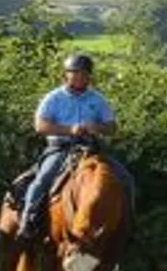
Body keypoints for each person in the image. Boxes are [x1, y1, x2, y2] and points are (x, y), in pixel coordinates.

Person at [16, 53, 136, 242]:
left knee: (126, 179)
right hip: (60, 148)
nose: (80, 77)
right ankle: (28, 221)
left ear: (89, 76)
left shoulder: (97, 99)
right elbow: (40, 126)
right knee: (43, 179)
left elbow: (112, 127)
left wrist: (96, 127)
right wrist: (69, 129)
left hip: (91, 149)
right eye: (75, 73)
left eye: (84, 74)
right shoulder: (54, 98)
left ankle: (128, 224)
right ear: (66, 75)